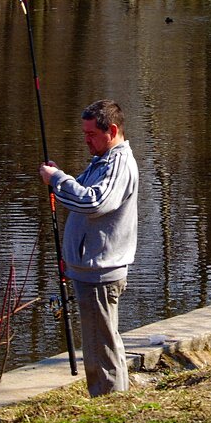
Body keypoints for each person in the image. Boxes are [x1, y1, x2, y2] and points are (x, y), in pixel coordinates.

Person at [39, 100, 138, 397]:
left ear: (113, 130)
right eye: (84, 133)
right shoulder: (102, 161)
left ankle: (109, 403)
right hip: (88, 270)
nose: (86, 139)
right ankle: (115, 399)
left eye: (92, 134)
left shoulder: (118, 164)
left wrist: (57, 180)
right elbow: (79, 193)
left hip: (101, 274)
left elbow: (93, 202)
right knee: (103, 341)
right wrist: (61, 178)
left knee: (100, 347)